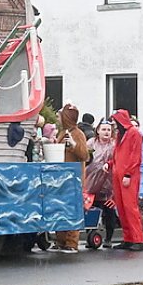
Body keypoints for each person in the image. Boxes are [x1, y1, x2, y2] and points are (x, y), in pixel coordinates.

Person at [50, 104, 92, 252]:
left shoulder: (78, 133)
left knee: (72, 209)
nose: (58, 118)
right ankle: (60, 240)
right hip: (62, 178)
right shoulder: (63, 132)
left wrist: (74, 145)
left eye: (60, 115)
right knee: (60, 209)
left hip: (73, 178)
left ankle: (71, 242)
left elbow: (84, 155)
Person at [110, 110, 143, 249]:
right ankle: (129, 238)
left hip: (127, 176)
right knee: (121, 207)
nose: (114, 124)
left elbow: (135, 156)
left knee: (130, 207)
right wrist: (110, 164)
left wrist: (128, 174)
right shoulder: (121, 134)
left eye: (115, 120)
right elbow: (118, 155)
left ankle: (138, 239)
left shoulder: (134, 133)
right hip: (119, 174)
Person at [84, 120, 116, 248]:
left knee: (109, 211)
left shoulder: (114, 144)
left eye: (108, 130)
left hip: (108, 182)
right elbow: (85, 157)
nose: (106, 132)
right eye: (104, 129)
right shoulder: (91, 143)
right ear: (98, 130)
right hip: (91, 181)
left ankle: (108, 238)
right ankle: (90, 236)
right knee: (90, 210)